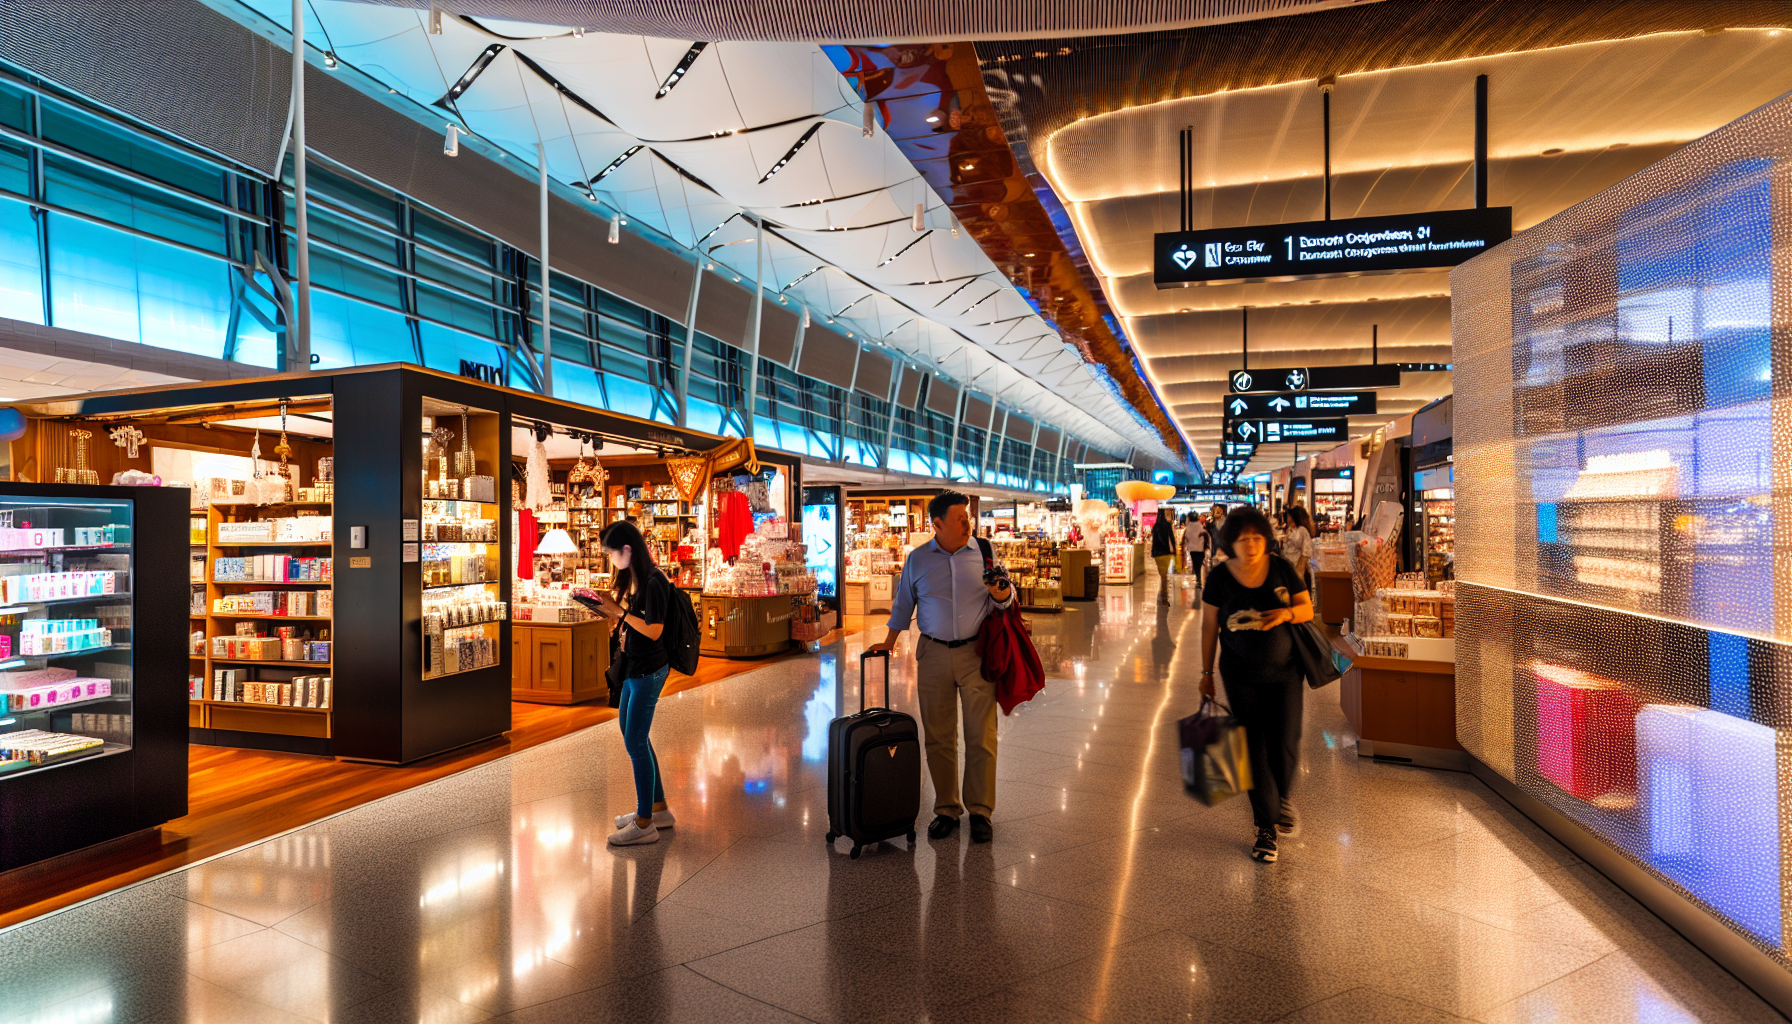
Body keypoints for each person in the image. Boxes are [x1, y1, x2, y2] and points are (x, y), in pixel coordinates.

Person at [870, 490, 1015, 843]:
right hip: (933, 654)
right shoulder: (918, 560)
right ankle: (947, 809)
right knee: (938, 737)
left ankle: (980, 810)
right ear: (937, 524)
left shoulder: (984, 551)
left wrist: (1001, 594)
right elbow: (903, 605)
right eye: (960, 519)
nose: (968, 523)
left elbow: (1008, 600)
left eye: (967, 518)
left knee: (982, 736)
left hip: (976, 654)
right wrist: (888, 644)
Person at [1198, 505, 1315, 864]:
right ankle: (1265, 828)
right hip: (1239, 674)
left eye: (1256, 537)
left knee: (1286, 741)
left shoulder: (1280, 567)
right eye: (1242, 538)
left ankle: (1280, 796)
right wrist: (1206, 674)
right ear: (1229, 542)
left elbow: (1307, 609)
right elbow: (1208, 627)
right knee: (1253, 746)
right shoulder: (1218, 577)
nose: (1250, 544)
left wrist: (1286, 613)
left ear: (1266, 538)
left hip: (1286, 672)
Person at [587, 520, 676, 847]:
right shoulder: (635, 579)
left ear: (627, 549)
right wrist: (605, 609)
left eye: (611, 552)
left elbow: (653, 630)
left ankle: (644, 822)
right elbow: (628, 621)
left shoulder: (654, 581)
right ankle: (658, 808)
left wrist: (618, 611)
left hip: (648, 669)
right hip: (633, 667)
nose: (609, 557)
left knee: (635, 742)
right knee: (632, 733)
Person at [1282, 504, 1315, 586]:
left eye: (1289, 516)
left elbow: (1307, 551)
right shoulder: (1288, 530)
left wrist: (1300, 570)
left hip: (1296, 568)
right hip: (1287, 569)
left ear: (1293, 517)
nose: (1287, 518)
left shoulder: (1301, 531)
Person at [1150, 510, 1177, 605]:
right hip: (1165, 553)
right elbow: (1172, 538)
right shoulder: (1167, 525)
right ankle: (1164, 597)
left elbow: (1153, 540)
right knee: (1164, 575)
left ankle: (1162, 593)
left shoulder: (1155, 526)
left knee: (1162, 574)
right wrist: (1174, 550)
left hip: (1157, 554)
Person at [1183, 512, 1210, 587]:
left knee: (1195, 564)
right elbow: (1206, 537)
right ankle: (1198, 579)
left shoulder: (1188, 527)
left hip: (1192, 549)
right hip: (1200, 549)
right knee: (1198, 564)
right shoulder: (1200, 526)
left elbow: (1187, 538)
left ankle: (1198, 579)